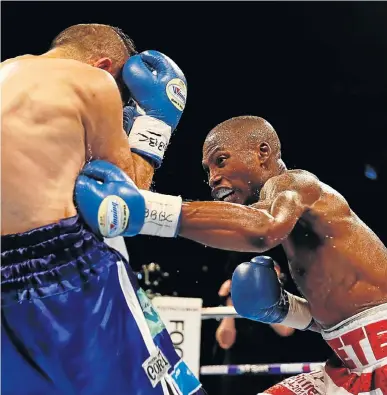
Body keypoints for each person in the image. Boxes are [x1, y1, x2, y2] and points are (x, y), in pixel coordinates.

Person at [76, 115, 387, 394]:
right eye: (207, 169)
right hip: (351, 364)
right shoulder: (296, 229)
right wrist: (285, 310)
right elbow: (345, 313)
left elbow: (264, 229)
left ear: (263, 153)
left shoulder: (296, 183)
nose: (212, 177)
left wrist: (152, 212)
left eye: (221, 161)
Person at [1, 23, 206, 395]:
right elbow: (124, 205)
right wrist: (154, 125)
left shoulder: (8, 72)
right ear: (106, 65)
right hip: (62, 266)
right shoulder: (93, 81)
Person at [215, 253, 295, 395]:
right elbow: (225, 342)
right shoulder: (238, 299)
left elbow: (287, 330)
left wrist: (265, 304)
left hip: (272, 372)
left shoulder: (283, 299)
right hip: (237, 373)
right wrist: (230, 301)